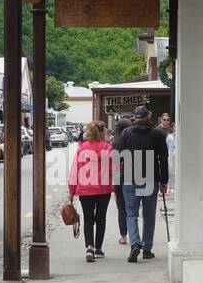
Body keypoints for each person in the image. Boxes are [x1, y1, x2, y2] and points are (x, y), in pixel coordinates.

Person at [114, 104, 169, 263]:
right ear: (148, 117)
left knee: (131, 213)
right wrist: (164, 181)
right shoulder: (158, 134)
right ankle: (147, 248)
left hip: (130, 177)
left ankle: (135, 244)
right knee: (149, 215)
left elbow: (116, 154)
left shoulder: (126, 134)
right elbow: (163, 159)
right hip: (151, 178)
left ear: (135, 118)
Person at [68, 120, 114, 263]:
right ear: (103, 132)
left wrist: (72, 190)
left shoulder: (82, 149)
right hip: (103, 189)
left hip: (85, 189)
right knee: (101, 219)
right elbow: (114, 170)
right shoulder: (108, 148)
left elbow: (74, 170)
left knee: (88, 219)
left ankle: (89, 247)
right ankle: (98, 248)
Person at [110, 118, 131, 245]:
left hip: (118, 175)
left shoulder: (115, 142)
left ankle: (123, 236)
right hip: (132, 173)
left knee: (121, 206)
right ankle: (134, 233)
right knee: (132, 206)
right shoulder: (133, 140)